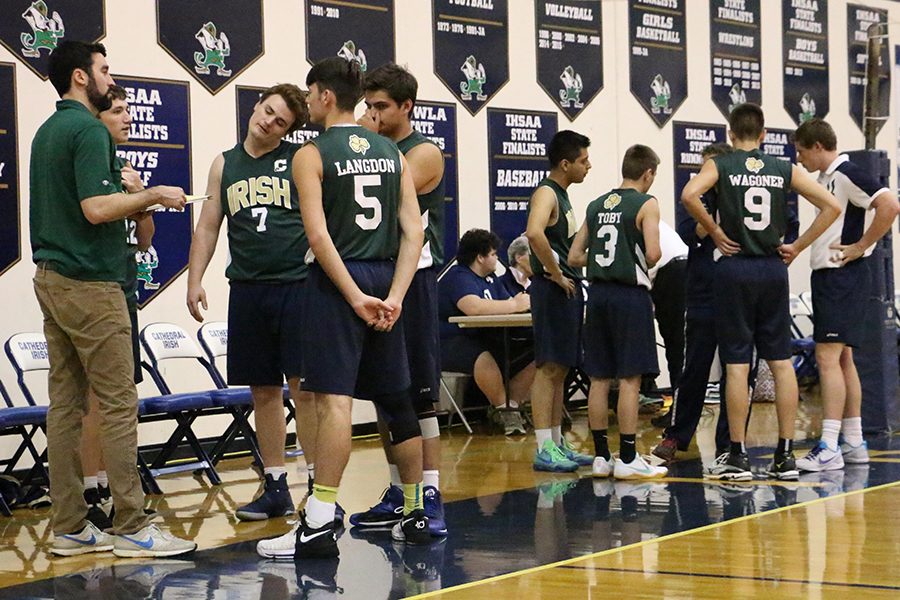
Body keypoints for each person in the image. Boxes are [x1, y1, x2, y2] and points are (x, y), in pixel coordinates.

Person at [256, 57, 426, 560]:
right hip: (386, 278)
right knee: (397, 401)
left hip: (339, 283)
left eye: (310, 96)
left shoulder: (310, 154)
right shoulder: (393, 153)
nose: (308, 104)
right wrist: (393, 295)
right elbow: (414, 233)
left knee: (334, 402)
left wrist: (354, 296)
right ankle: (415, 510)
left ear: (325, 96)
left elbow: (317, 235)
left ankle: (319, 521)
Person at [30, 40, 194, 557]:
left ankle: (70, 526)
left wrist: (138, 200)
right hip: (92, 282)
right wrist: (153, 195)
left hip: (53, 278)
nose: (109, 75)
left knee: (66, 406)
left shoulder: (47, 131)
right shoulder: (84, 129)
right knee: (120, 405)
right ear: (81, 77)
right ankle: (132, 524)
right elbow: (97, 208)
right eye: (104, 69)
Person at [186, 84, 327, 522]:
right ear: (256, 105)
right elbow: (209, 226)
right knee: (263, 391)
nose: (268, 122)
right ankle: (276, 486)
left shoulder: (300, 160)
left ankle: (320, 487)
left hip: (297, 285)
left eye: (280, 120)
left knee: (305, 392)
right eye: (267, 111)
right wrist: (195, 280)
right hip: (248, 288)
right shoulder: (224, 164)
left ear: (289, 130)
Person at [682, 103, 840, 481]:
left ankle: (737, 456)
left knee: (737, 366)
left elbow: (690, 195)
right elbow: (832, 206)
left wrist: (716, 232)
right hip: (772, 268)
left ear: (730, 134)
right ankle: (785, 456)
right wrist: (798, 246)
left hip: (734, 269)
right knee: (782, 364)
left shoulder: (720, 164)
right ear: (765, 134)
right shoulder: (784, 167)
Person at [350, 63, 448, 536]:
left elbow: (391, 185)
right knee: (388, 393)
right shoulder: (377, 147)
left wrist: (367, 142)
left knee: (420, 392)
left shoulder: (424, 151)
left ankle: (429, 491)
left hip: (415, 279)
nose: (372, 113)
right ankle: (398, 489)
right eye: (367, 105)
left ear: (407, 106)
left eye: (381, 106)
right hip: (377, 276)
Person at [792, 118, 899, 471]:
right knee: (843, 359)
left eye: (802, 151)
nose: (800, 159)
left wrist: (862, 245)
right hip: (835, 277)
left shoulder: (846, 172)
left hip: (842, 275)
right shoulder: (827, 180)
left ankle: (828, 444)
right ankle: (853, 441)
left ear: (818, 147)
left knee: (826, 358)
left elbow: (890, 205)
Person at [568, 144, 668, 480]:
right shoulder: (646, 203)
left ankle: (600, 457)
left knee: (598, 377)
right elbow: (653, 254)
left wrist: (602, 259)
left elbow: (574, 257)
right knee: (629, 378)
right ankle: (627, 456)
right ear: (648, 173)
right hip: (629, 296)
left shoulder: (597, 205)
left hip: (597, 295)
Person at [80, 84, 155, 529]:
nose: (128, 118)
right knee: (93, 398)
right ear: (100, 119)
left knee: (119, 397)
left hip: (125, 292)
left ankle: (109, 485)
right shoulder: (92, 167)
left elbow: (143, 242)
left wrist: (141, 197)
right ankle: (91, 488)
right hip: (96, 290)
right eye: (120, 111)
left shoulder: (124, 170)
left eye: (130, 110)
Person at [526, 130, 593, 473]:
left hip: (566, 287)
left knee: (562, 368)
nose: (589, 166)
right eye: (583, 161)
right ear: (565, 164)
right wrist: (554, 272)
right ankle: (543, 446)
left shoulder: (563, 195)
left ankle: (556, 441)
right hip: (552, 288)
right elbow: (534, 232)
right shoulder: (546, 192)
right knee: (548, 367)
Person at [438, 229, 534, 435]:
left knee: (536, 350)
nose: (497, 258)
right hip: (450, 342)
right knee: (483, 356)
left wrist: (518, 304)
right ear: (480, 257)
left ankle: (512, 406)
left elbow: (509, 302)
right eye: (492, 254)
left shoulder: (491, 280)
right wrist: (514, 305)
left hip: (487, 337)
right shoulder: (458, 277)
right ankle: (503, 409)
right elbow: (473, 307)